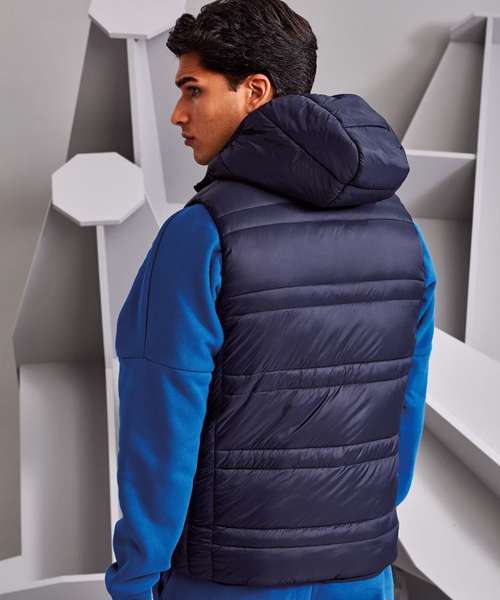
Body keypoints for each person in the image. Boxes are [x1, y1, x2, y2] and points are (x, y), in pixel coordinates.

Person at [104, 1, 437, 599]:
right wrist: (355, 524)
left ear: (255, 91)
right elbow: (405, 404)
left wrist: (136, 576)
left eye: (193, 90)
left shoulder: (201, 234)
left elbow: (161, 429)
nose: (177, 114)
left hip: (228, 577)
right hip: (361, 571)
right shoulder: (402, 230)